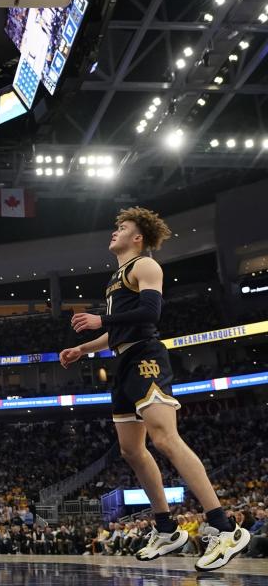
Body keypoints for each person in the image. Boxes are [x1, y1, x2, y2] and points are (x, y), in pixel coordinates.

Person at [60, 207, 251, 571]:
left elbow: (150, 314)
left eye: (122, 227)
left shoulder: (145, 266)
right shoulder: (116, 277)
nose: (114, 232)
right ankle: (166, 528)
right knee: (131, 450)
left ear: (138, 237)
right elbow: (118, 330)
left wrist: (102, 318)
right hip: (123, 363)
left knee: (165, 438)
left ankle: (225, 527)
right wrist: (84, 348)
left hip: (147, 357)